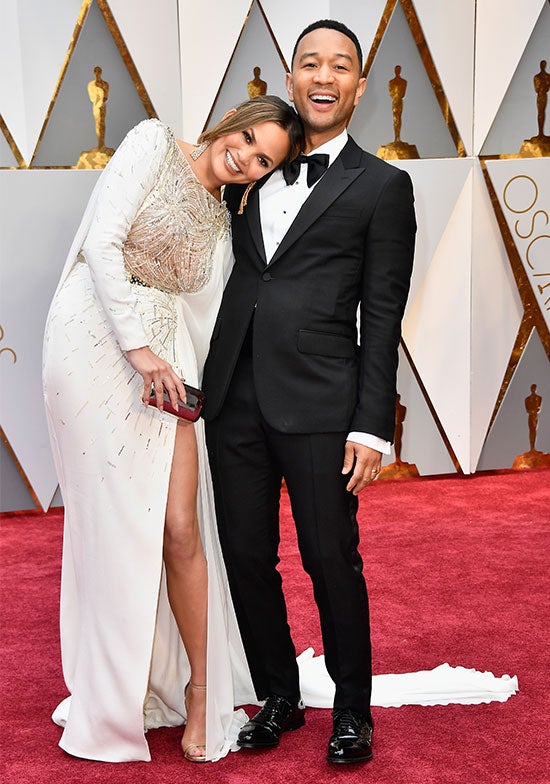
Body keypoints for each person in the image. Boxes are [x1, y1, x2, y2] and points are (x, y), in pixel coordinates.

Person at [42, 95, 303, 764]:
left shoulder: (224, 220)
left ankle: (198, 690)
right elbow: (101, 242)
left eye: (263, 160)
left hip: (167, 367)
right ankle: (110, 695)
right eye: (248, 137)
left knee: (181, 528)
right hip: (92, 339)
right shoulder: (152, 142)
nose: (245, 157)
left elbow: (211, 315)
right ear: (234, 120)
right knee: (110, 524)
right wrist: (138, 350)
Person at [202, 20, 416, 764]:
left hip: (324, 404)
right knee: (244, 555)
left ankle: (352, 711)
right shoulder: (252, 164)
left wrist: (372, 425)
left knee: (331, 559)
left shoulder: (384, 186)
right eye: (310, 64)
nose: (324, 76)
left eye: (341, 66)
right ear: (289, 78)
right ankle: (279, 696)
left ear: (360, 85)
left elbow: (382, 315)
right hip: (231, 396)